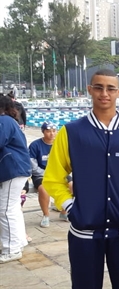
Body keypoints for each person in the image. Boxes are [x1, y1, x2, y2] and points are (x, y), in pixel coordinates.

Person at [43, 69, 119, 289]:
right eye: (98, 87)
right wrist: (70, 206)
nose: (104, 93)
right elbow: (52, 178)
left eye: (110, 88)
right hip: (84, 232)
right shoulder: (71, 132)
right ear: (89, 90)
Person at [0, 95, 31, 263]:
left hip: (13, 169)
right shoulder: (9, 120)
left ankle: (11, 249)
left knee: (6, 210)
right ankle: (18, 242)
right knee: (12, 208)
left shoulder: (3, 121)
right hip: (17, 169)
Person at [29, 121, 70, 227]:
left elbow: (67, 162)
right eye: (48, 131)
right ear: (43, 132)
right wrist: (49, 174)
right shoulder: (35, 145)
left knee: (71, 186)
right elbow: (33, 166)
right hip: (40, 175)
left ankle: (64, 212)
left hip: (59, 173)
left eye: (54, 131)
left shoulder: (61, 144)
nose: (52, 134)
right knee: (43, 189)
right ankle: (46, 215)